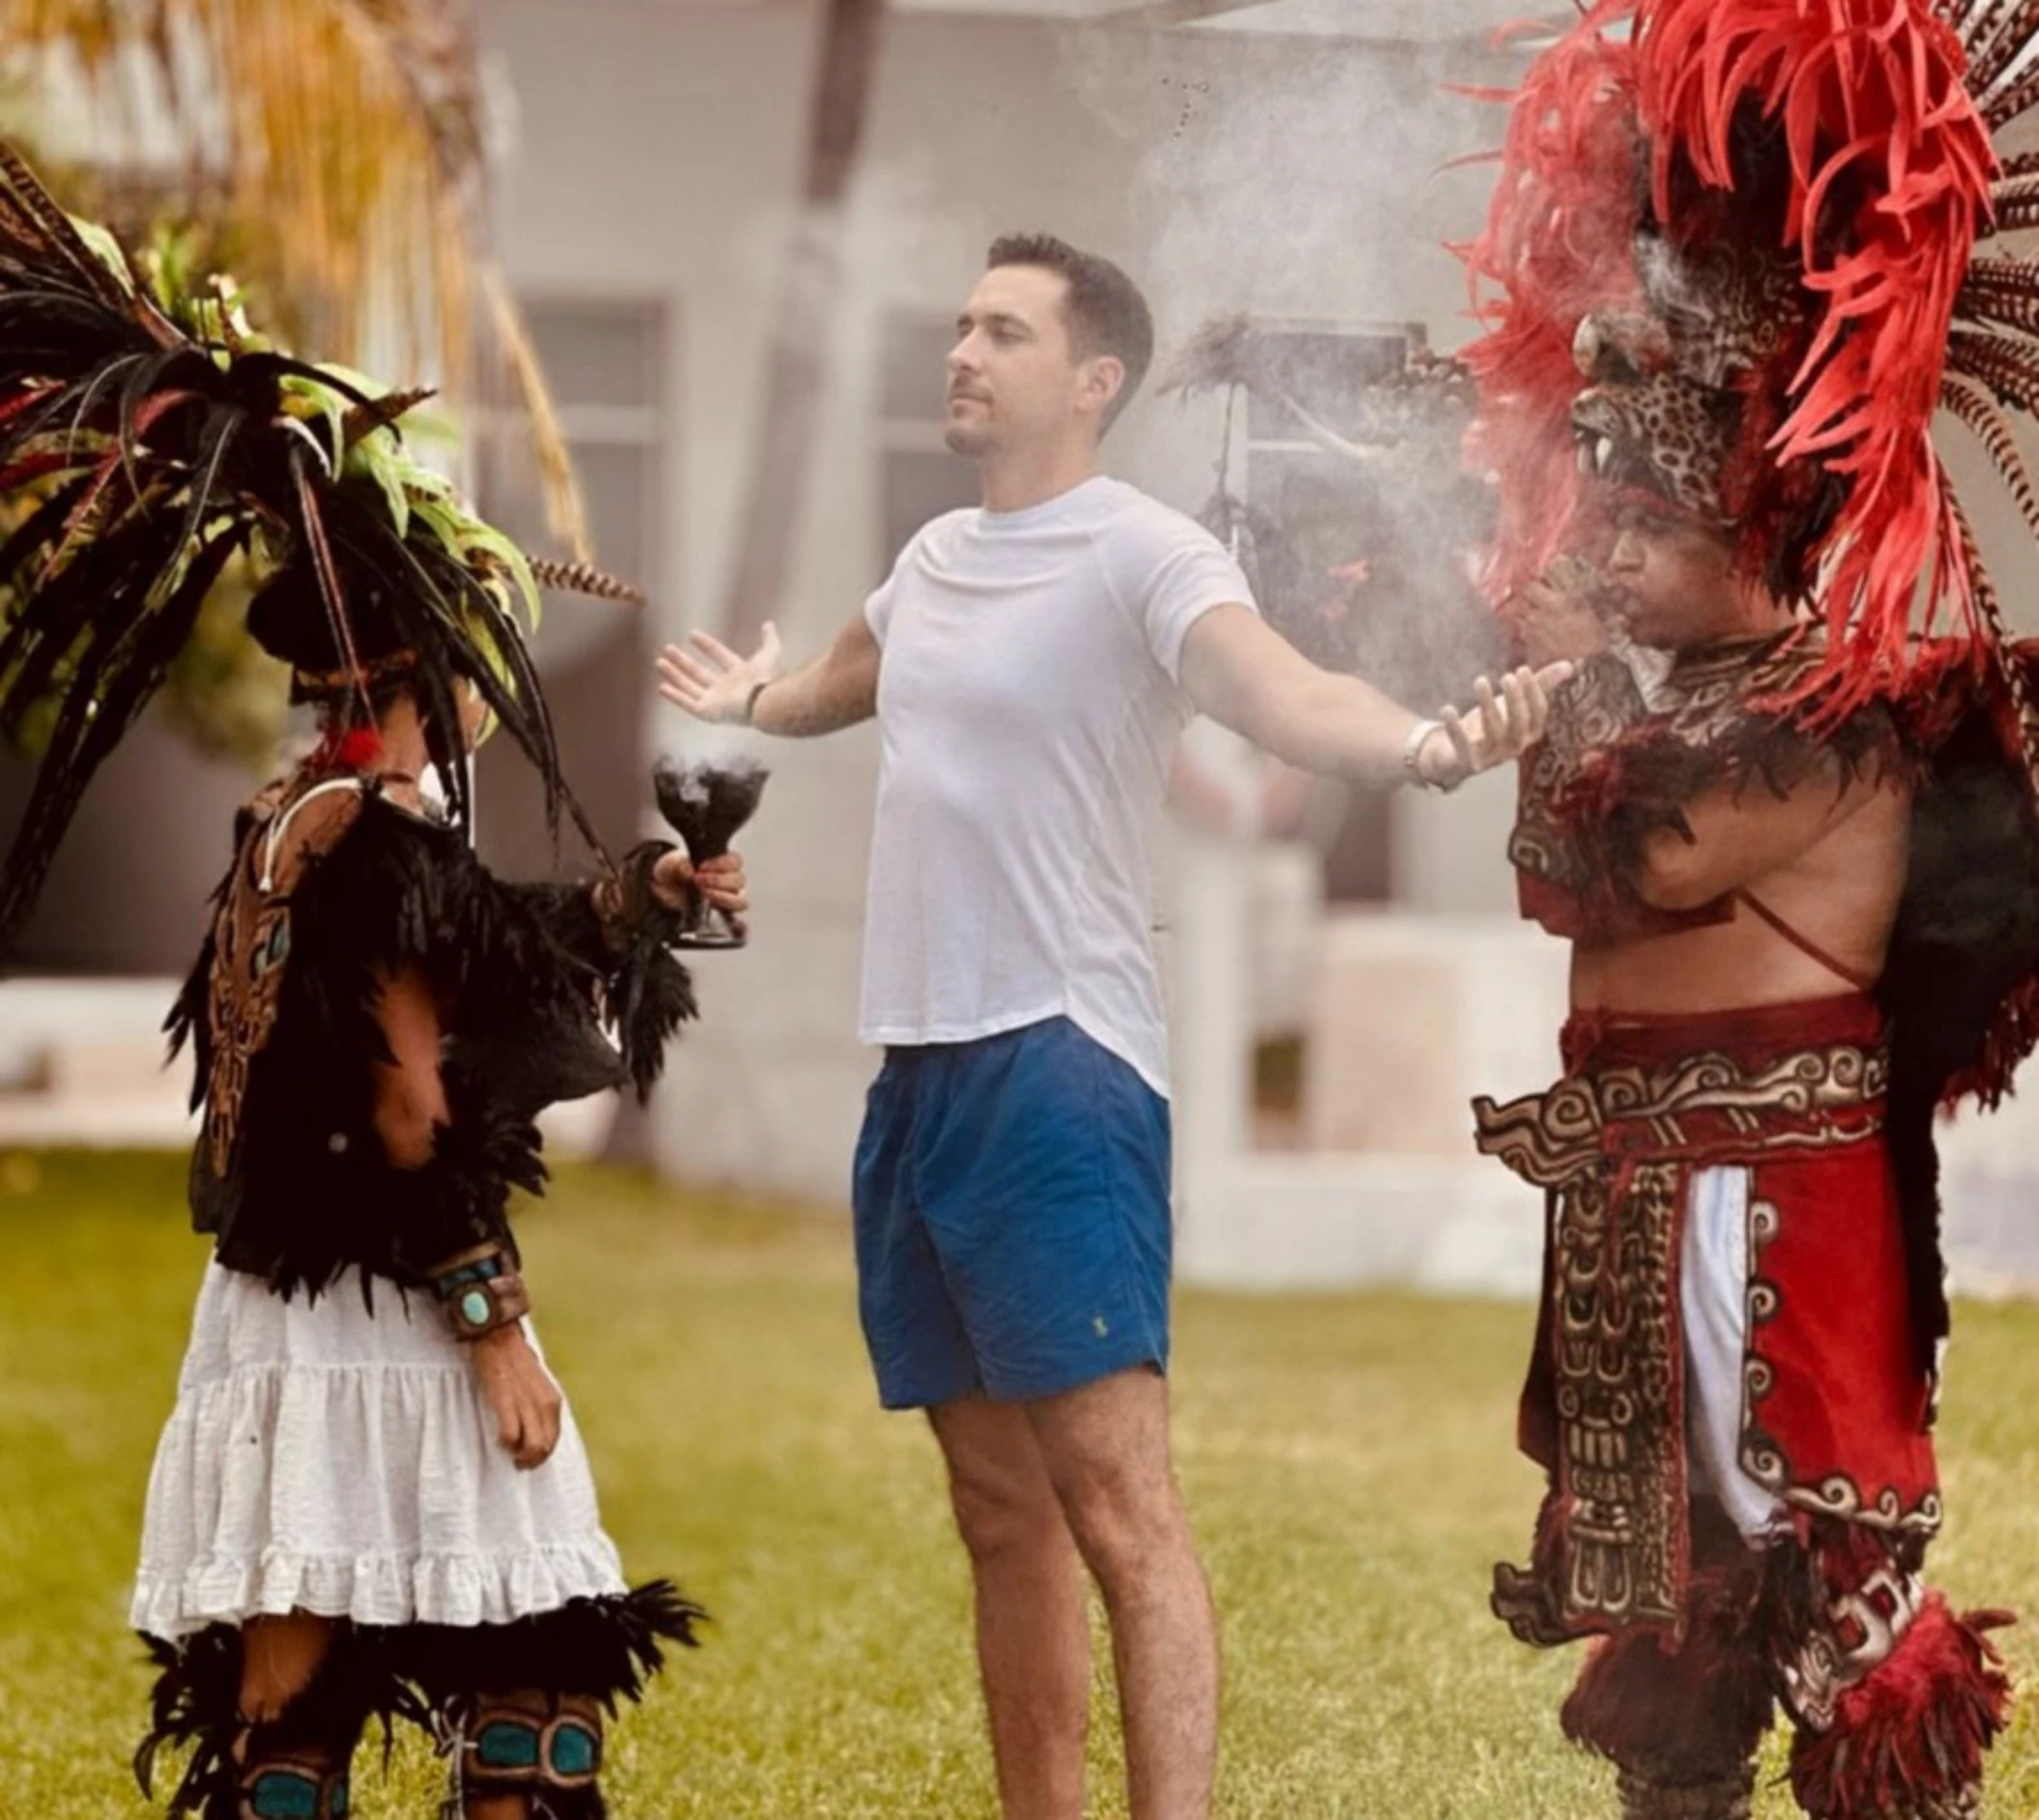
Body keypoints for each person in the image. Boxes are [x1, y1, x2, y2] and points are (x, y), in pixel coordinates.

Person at [656, 231, 1561, 1820]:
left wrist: (1422, 748)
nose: (960, 351)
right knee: (996, 1510)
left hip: (1057, 1064)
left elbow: (1286, 695)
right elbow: (842, 681)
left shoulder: (1142, 554)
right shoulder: (932, 560)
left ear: (1091, 381)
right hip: (919, 1074)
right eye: (960, 324)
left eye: (1001, 332)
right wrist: (752, 702)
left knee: (1118, 1510)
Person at [0, 151, 745, 1819]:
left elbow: (465, 946)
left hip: (279, 1305)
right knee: (539, 1678)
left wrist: (637, 893)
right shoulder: (381, 843)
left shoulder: (300, 818)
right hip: (390, 1307)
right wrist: (496, 1332)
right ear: (435, 673)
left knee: (294, 1681)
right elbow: (409, 1097)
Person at [1456, 6, 2039, 1815]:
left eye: (1648, 531)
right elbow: (1561, 881)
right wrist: (1567, 686)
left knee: (1830, 1579)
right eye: (1608, 526)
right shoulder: (1679, 700)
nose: (1613, 557)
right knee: (1677, 1598)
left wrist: (1573, 684)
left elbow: (1647, 864)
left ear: (1762, 531)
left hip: (1776, 1192)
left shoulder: (1840, 715)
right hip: (1632, 1185)